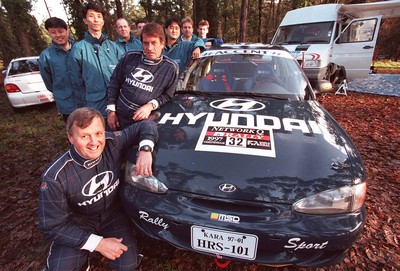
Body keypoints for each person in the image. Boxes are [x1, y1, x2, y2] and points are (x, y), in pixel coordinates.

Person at [38, 107, 158, 271]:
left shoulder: (113, 142)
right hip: (77, 222)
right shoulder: (55, 177)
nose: (94, 142)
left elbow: (146, 125)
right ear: (70, 138)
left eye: (98, 133)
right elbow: (51, 227)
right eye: (84, 136)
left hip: (112, 215)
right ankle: (81, 260)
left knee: (127, 265)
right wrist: (98, 244)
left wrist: (146, 149)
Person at [107, 22, 179, 131]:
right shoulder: (129, 57)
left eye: (154, 43)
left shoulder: (171, 68)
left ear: (162, 43)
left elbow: (168, 95)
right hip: (118, 117)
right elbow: (114, 83)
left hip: (143, 122)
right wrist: (111, 111)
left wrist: (150, 106)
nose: (149, 48)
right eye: (146, 43)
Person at [70, 2, 124, 118]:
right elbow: (77, 83)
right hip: (95, 105)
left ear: (103, 21)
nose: (96, 20)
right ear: (85, 20)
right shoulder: (79, 49)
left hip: (118, 104)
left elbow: (125, 74)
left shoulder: (114, 47)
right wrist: (83, 109)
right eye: (91, 16)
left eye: (99, 16)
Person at [39, 17, 76, 122]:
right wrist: (62, 92)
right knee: (74, 132)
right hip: (66, 104)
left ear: (67, 30)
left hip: (86, 99)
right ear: (49, 34)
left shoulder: (79, 49)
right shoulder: (46, 56)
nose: (58, 35)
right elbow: (49, 82)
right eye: (53, 32)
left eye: (61, 31)